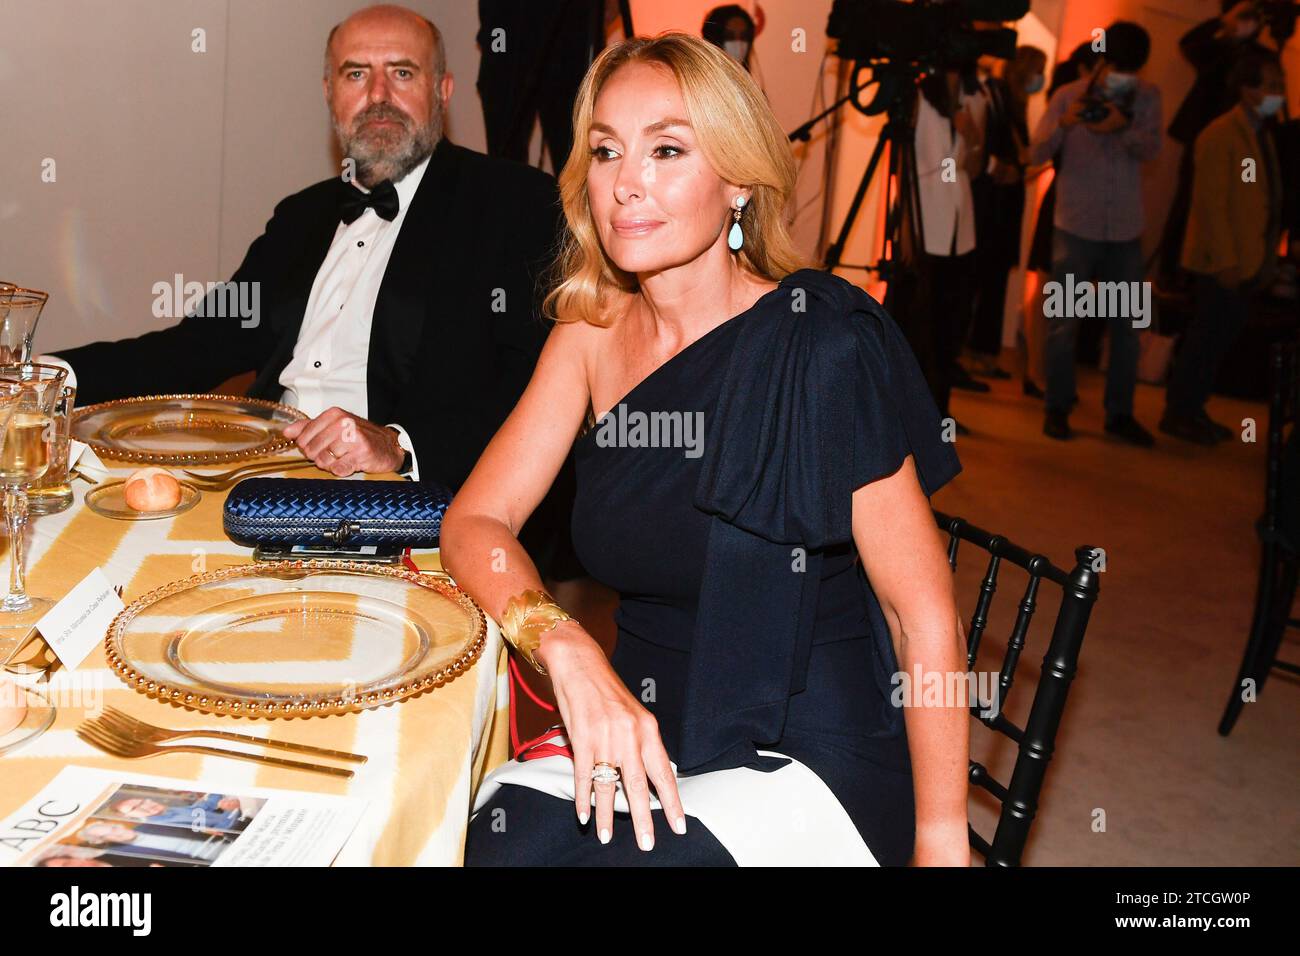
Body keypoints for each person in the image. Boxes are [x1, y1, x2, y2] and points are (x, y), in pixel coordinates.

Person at [445, 33, 968, 866]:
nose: (626, 184)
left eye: (667, 150)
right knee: (485, 847)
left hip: (806, 747)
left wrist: (941, 840)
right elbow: (474, 520)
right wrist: (565, 645)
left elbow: (922, 613)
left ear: (737, 182)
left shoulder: (822, 343)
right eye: (607, 151)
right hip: (642, 714)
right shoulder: (590, 332)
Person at [55, 5, 560, 497]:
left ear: (442, 90)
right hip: (260, 484)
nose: (378, 96)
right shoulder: (301, 216)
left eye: (402, 73)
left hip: (408, 503)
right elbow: (197, 346)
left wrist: (399, 444)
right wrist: (49, 378)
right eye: (356, 74)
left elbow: (536, 388)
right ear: (329, 93)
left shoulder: (513, 203)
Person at [1028, 21, 1161, 446]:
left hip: (1125, 227)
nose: (1125, 75)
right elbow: (1036, 151)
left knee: (1128, 324)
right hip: (1076, 224)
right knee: (1064, 321)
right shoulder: (1070, 94)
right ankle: (1057, 406)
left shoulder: (1148, 97)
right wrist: (1065, 123)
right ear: (1103, 59)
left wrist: (1122, 126)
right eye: (1118, 65)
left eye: (1132, 68)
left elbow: (1153, 149)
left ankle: (1119, 413)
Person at [1162, 52, 1287, 444]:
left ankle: (1194, 408)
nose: (1279, 93)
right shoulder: (1220, 133)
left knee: (1219, 340)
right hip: (1221, 262)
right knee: (1204, 338)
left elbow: (1259, 198)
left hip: (1248, 259)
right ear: (1247, 89)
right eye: (1271, 85)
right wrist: (1227, 261)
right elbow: (1211, 205)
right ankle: (1179, 411)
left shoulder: (1259, 132)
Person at [1158, 1, 1276, 284]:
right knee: (1191, 201)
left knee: (1244, 195)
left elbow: (1269, 95)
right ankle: (1175, 274)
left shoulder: (1262, 58)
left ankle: (1231, 267)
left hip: (1245, 145)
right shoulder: (1216, 50)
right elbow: (1189, 43)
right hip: (1204, 138)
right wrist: (1226, 22)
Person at [966, 46, 1048, 381]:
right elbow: (992, 152)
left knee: (995, 280)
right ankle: (974, 353)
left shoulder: (1016, 103)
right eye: (1037, 69)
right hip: (992, 207)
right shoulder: (999, 97)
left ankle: (984, 354)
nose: (1040, 78)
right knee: (983, 279)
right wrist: (1011, 167)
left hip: (1005, 204)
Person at [908, 68, 983, 426]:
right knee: (921, 319)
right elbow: (917, 166)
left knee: (949, 322)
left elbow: (973, 165)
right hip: (928, 220)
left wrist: (973, 137)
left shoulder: (969, 100)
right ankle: (915, 412)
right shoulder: (921, 98)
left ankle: (940, 410)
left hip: (960, 224)